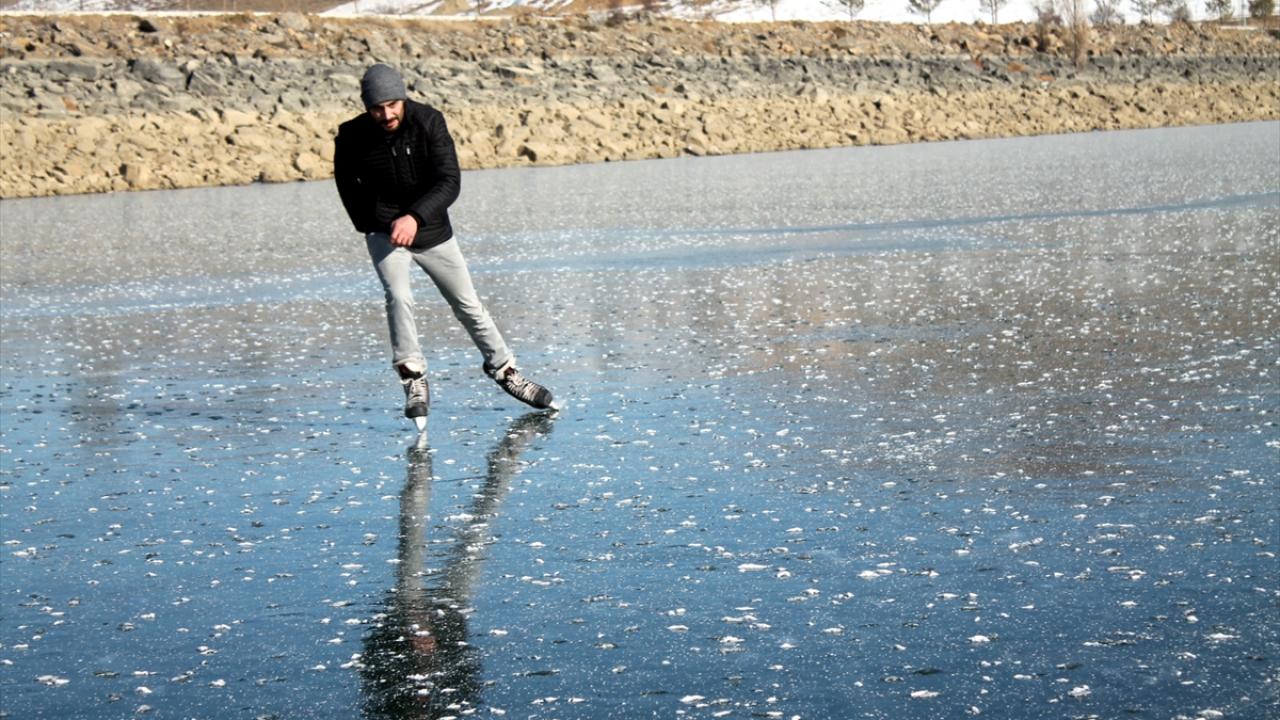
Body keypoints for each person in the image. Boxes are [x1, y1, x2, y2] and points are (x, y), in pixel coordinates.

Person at [334, 63, 557, 424]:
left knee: (468, 304)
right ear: (366, 106)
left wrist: (415, 217)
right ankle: (413, 376)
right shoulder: (351, 135)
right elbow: (349, 190)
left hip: (432, 228)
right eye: (377, 107)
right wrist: (376, 223)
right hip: (384, 231)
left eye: (393, 104)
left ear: (403, 98)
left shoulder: (429, 122)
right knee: (398, 295)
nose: (386, 114)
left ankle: (506, 372)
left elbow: (449, 180)